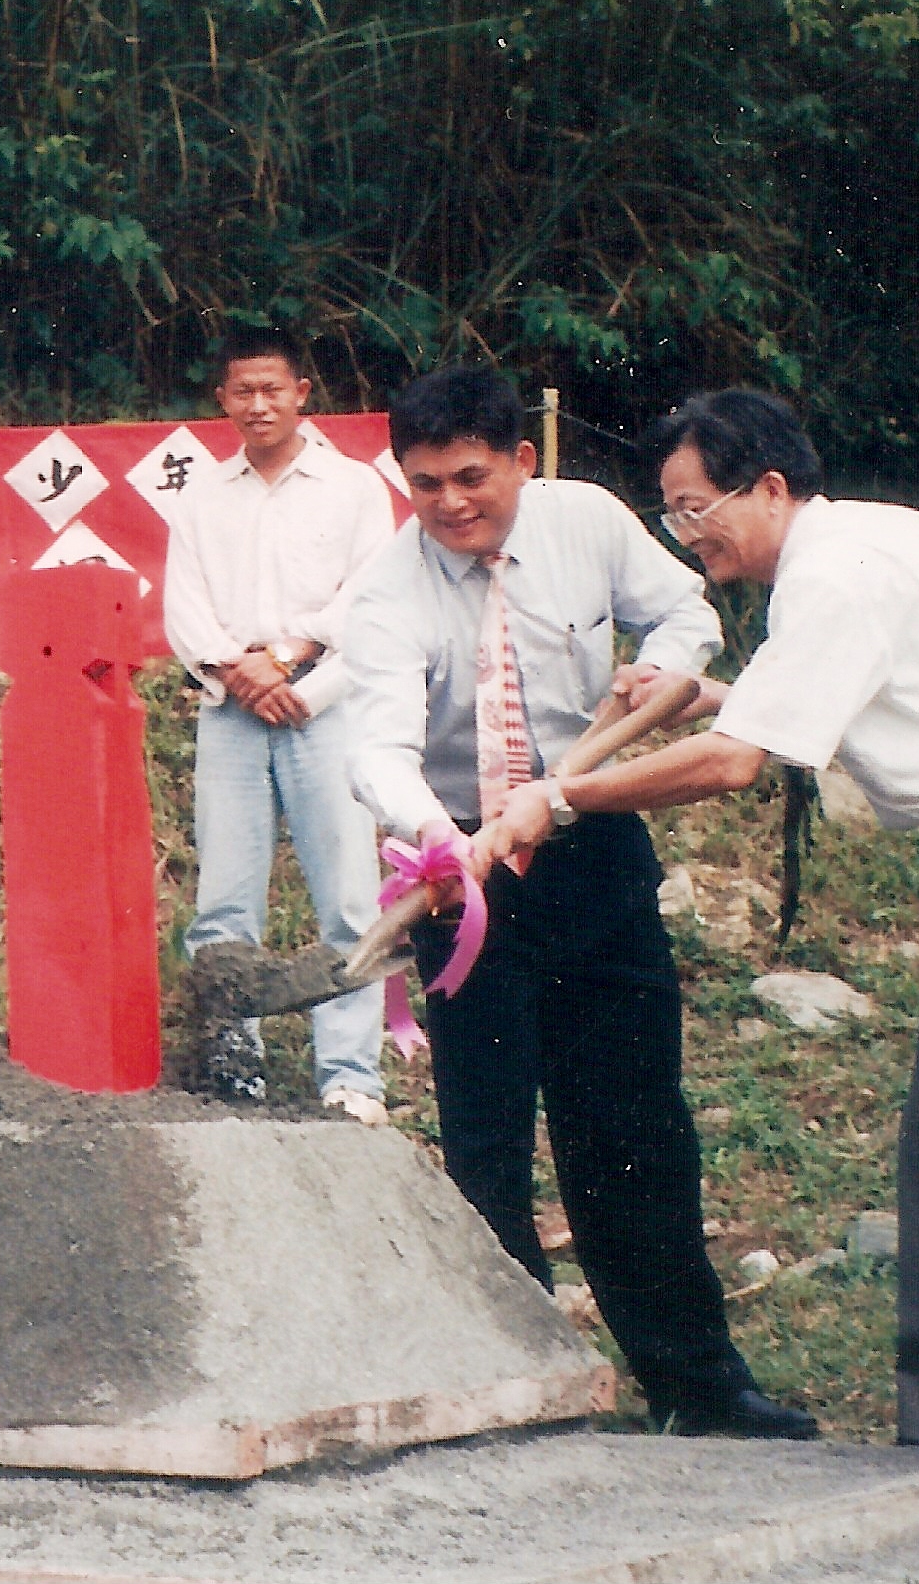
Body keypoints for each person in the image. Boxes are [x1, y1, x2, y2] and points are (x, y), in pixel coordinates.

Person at [474, 390, 919, 1540]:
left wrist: (559, 795)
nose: (693, 539)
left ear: (770, 488)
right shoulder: (866, 544)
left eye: (699, 513)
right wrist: (723, 692)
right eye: (675, 519)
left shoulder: (837, 576)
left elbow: (736, 767)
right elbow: (845, 701)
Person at [342, 369, 814, 1440]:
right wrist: (445, 847)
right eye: (425, 488)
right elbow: (377, 745)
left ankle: (696, 1382)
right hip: (460, 868)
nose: (453, 505)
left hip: (591, 838)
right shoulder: (384, 593)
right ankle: (518, 1388)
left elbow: (687, 609)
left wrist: (661, 665)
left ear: (521, 459)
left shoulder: (589, 521)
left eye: (473, 477)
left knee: (635, 1121)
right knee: (488, 1136)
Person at [161, 328, 400, 1119]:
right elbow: (185, 608)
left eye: (274, 389)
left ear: (303, 392)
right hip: (232, 710)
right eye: (242, 391)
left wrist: (295, 666)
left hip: (323, 704)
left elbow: (370, 600)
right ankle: (235, 1068)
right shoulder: (201, 496)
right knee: (224, 900)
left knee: (347, 895)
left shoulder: (355, 487)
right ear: (223, 399)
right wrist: (239, 671)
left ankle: (351, 1077)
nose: (258, 405)